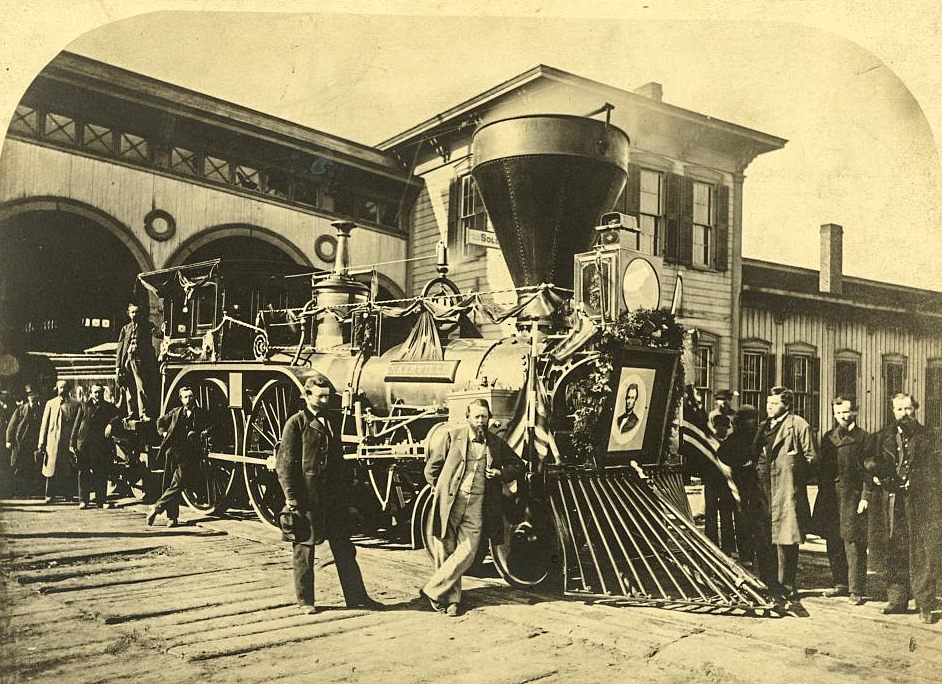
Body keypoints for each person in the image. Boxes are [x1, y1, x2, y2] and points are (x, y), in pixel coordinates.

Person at [275, 373, 380, 614]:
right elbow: (285, 464)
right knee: (304, 550)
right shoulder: (296, 423)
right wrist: (291, 498)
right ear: (307, 395)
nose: (324, 401)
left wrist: (346, 493)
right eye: (320, 397)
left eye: (328, 397)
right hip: (306, 499)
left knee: (344, 549)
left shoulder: (331, 421)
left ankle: (357, 598)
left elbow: (337, 462)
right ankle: (306, 601)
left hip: (333, 499)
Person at [421, 398, 523, 617]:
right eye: (476, 416)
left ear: (489, 419)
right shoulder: (452, 437)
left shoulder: (495, 443)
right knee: (445, 550)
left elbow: (518, 465)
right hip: (451, 502)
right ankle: (452, 601)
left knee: (468, 551)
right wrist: (442, 489)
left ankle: (433, 589)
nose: (480, 421)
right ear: (467, 417)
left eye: (484, 417)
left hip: (478, 504)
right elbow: (431, 469)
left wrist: (500, 474)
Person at [865, 393, 942, 624]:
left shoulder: (930, 436)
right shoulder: (882, 437)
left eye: (908, 409)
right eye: (899, 410)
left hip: (922, 503)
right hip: (893, 503)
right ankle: (897, 600)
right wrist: (878, 477)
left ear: (915, 409)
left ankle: (925, 604)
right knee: (894, 548)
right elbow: (869, 462)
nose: (904, 414)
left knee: (922, 552)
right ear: (893, 411)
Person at [753, 386, 817, 606]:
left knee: (787, 538)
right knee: (765, 537)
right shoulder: (763, 427)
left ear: (787, 405)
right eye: (768, 403)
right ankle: (768, 582)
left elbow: (812, 459)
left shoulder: (799, 425)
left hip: (787, 489)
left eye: (774, 403)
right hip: (764, 488)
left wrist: (793, 468)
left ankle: (787, 585)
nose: (769, 406)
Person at [810, 397, 871, 604]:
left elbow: (868, 473)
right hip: (829, 496)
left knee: (853, 543)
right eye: (838, 413)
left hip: (852, 497)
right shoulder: (829, 437)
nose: (842, 417)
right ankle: (840, 583)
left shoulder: (864, 438)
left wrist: (865, 496)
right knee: (833, 539)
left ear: (854, 411)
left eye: (846, 412)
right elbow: (821, 468)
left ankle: (856, 589)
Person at [147, 386, 210, 527]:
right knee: (168, 484)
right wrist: (163, 433)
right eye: (186, 397)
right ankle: (172, 518)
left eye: (191, 396)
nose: (189, 399)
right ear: (181, 399)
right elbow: (160, 422)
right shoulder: (175, 412)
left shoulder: (201, 414)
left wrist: (204, 433)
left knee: (178, 483)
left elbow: (212, 425)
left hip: (188, 455)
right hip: (172, 452)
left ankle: (156, 508)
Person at [70, 383, 120, 509]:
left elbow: (117, 415)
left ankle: (101, 500)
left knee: (101, 472)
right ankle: (83, 500)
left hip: (100, 445)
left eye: (100, 392)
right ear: (91, 393)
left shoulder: (108, 407)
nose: (98, 395)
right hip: (84, 443)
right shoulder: (84, 406)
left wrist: (111, 424)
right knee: (84, 472)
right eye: (95, 392)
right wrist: (72, 442)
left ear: (103, 393)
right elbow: (76, 425)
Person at [725, 405, 760, 568]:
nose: (751, 422)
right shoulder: (734, 439)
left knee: (757, 521)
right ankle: (746, 555)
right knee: (742, 520)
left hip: (758, 486)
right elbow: (722, 457)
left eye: (753, 418)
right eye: (748, 419)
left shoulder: (760, 436)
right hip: (741, 485)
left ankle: (754, 553)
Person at [115, 302, 159, 421]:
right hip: (127, 360)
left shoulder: (147, 326)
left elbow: (158, 333)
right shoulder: (125, 328)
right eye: (133, 312)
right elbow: (119, 348)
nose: (135, 314)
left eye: (137, 312)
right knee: (129, 388)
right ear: (129, 314)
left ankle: (143, 413)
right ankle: (132, 412)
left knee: (141, 387)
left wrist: (162, 329)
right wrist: (118, 366)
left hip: (140, 360)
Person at [38, 380, 80, 503]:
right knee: (50, 470)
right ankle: (49, 495)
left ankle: (69, 495)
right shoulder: (50, 404)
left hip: (68, 442)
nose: (63, 390)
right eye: (60, 387)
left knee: (68, 469)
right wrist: (41, 442)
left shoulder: (76, 404)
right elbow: (44, 425)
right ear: (57, 389)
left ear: (69, 389)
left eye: (65, 387)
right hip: (52, 442)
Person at [705, 413, 737, 554]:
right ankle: (710, 544)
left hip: (725, 484)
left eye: (724, 427)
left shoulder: (730, 443)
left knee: (726, 516)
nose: (722, 430)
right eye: (719, 427)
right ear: (715, 427)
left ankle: (727, 547)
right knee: (710, 514)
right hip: (711, 483)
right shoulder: (709, 443)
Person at [5, 386, 43, 497]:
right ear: (28, 399)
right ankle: (16, 491)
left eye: (36, 400)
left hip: (32, 444)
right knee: (17, 466)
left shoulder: (39, 411)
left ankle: (28, 491)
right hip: (19, 443)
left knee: (30, 467)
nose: (34, 402)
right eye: (32, 400)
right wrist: (8, 440)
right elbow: (11, 426)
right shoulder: (21, 410)